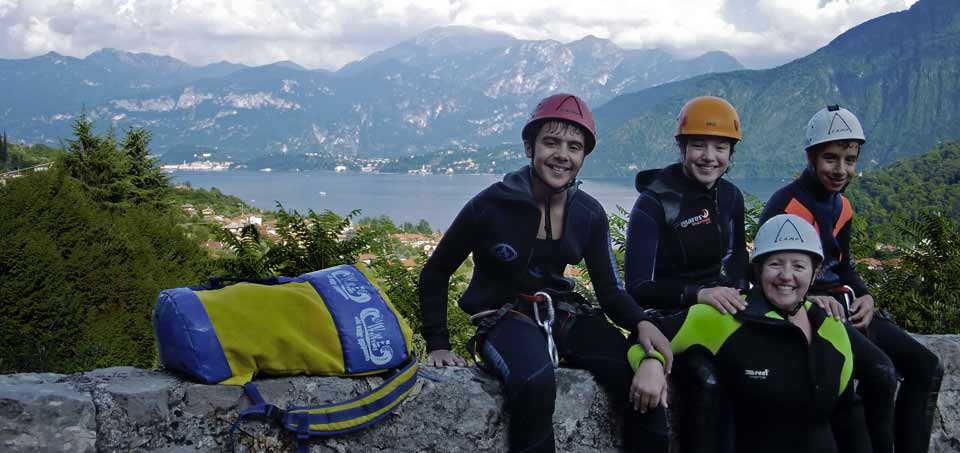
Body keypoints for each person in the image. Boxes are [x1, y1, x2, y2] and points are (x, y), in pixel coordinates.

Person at [418, 93, 673, 453]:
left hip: (563, 312)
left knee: (640, 379)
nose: (562, 155)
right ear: (529, 147)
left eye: (574, 146)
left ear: (584, 156)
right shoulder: (491, 205)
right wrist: (438, 344)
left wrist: (641, 324)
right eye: (551, 142)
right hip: (503, 318)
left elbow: (610, 291)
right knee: (535, 382)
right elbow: (437, 270)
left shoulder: (587, 213)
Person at [759, 104, 943, 453]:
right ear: (811, 158)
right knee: (881, 373)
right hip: (809, 311)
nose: (841, 169)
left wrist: (866, 296)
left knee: (926, 366)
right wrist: (807, 300)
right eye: (831, 158)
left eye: (850, 159)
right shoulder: (786, 207)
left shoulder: (842, 207)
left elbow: (844, 267)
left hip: (844, 307)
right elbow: (762, 276)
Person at [629, 213, 873, 453]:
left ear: (814, 274)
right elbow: (647, 332)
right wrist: (651, 361)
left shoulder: (831, 327)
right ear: (758, 270)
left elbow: (848, 414)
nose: (786, 276)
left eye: (799, 266)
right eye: (775, 264)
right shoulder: (725, 315)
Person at [624, 95, 749, 452]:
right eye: (699, 145)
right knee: (708, 382)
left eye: (720, 147)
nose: (710, 157)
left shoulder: (731, 197)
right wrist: (697, 293)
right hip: (667, 318)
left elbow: (737, 259)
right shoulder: (654, 202)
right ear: (682, 147)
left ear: (731, 153)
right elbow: (637, 288)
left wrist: (737, 290)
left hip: (716, 314)